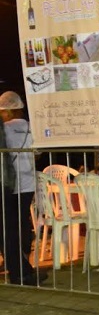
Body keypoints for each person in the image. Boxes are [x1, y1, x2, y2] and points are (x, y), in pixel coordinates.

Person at [0, 91, 42, 286]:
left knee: (8, 229)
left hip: (8, 183)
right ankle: (23, 266)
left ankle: (19, 271)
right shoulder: (33, 128)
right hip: (28, 184)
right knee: (22, 224)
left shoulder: (4, 129)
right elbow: (38, 153)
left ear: (8, 111)